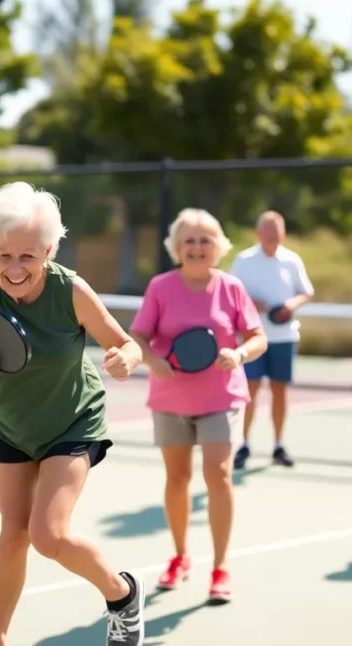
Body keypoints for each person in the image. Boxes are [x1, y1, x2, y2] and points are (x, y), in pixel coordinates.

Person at [0, 182, 146, 646]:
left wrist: (124, 359)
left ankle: (122, 594)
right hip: (11, 424)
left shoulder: (69, 289)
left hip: (72, 420)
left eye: (27, 255)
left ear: (49, 250)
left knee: (49, 535)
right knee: (14, 532)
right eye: (2, 253)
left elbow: (127, 344)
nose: (13, 266)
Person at [129, 208, 267, 603]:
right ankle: (180, 557)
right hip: (170, 397)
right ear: (176, 247)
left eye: (205, 240)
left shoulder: (231, 288)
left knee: (218, 474)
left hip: (221, 397)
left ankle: (220, 567)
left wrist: (238, 354)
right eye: (189, 240)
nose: (196, 247)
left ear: (218, 247)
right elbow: (137, 335)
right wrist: (153, 362)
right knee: (177, 479)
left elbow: (258, 337)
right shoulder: (160, 287)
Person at [228, 211, 314, 469]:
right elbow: (231, 293)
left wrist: (290, 304)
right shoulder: (244, 260)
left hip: (284, 337)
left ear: (283, 233)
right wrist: (251, 304)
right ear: (258, 233)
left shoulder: (292, 260)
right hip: (252, 338)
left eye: (276, 231)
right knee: (250, 390)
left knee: (280, 391)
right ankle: (242, 444)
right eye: (267, 231)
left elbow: (305, 292)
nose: (272, 236)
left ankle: (278, 444)